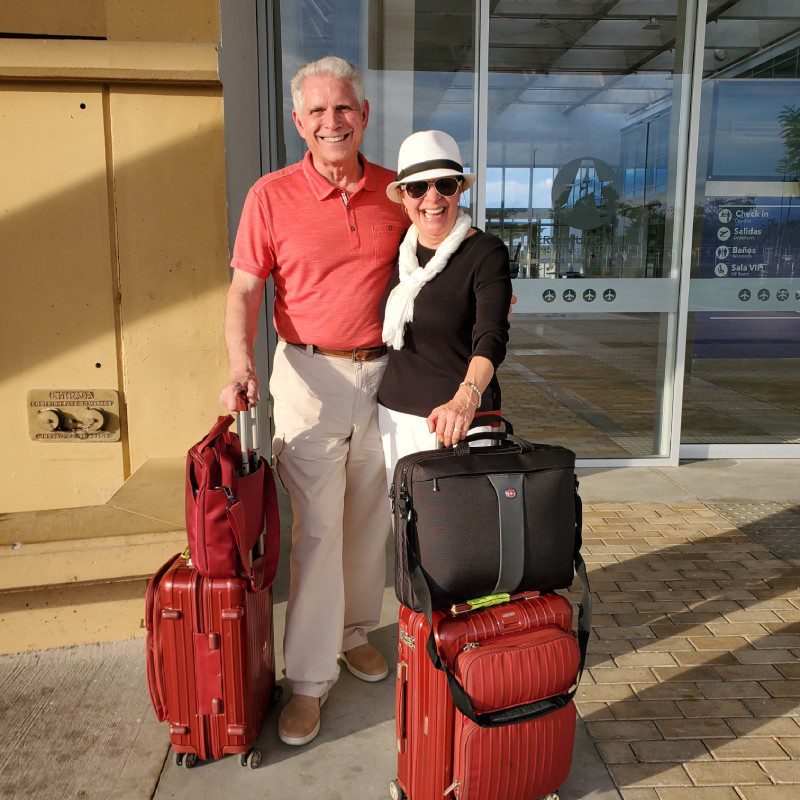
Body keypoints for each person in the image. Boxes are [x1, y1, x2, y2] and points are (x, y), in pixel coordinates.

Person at [220, 56, 408, 747]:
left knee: (369, 520)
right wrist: (240, 364)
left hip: (385, 380)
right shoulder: (270, 196)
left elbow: (441, 258)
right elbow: (244, 291)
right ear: (299, 122)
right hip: (307, 378)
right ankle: (308, 680)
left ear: (364, 115)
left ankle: (355, 629)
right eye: (319, 111)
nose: (334, 122)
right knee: (320, 530)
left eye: (345, 108)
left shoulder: (396, 191)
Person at [377, 130, 512, 481]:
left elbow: (491, 336)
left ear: (460, 190)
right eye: (418, 188)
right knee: (403, 530)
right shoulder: (400, 254)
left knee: (459, 532)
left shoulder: (485, 252)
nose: (431, 198)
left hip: (458, 422)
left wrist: (465, 399)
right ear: (403, 197)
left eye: (445, 185)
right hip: (393, 418)